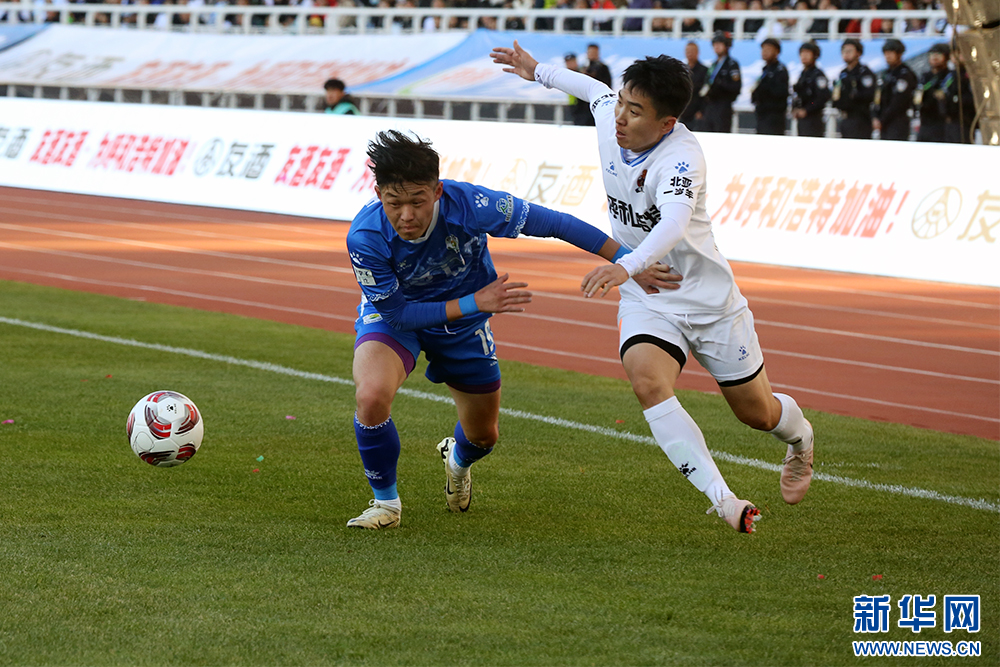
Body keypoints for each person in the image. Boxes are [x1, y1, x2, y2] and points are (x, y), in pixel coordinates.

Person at [492, 42, 816, 534]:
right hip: (650, 296)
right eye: (623, 102)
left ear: (667, 123)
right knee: (647, 381)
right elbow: (593, 90)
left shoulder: (681, 159)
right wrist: (537, 70)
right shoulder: (612, 113)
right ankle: (724, 500)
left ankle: (801, 440)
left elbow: (674, 223)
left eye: (635, 111)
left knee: (758, 413)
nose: (620, 116)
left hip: (709, 302)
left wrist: (627, 264)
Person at [344, 130, 677, 529]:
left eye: (417, 201)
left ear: (437, 191)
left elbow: (556, 223)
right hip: (399, 318)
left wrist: (630, 262)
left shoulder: (471, 205)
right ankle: (386, 504)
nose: (406, 216)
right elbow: (398, 315)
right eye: (394, 203)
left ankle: (457, 461)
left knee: (483, 437)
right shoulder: (365, 236)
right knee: (371, 394)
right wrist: (475, 302)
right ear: (378, 194)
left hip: (464, 326)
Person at [873, 39, 917, 141]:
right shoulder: (885, 73)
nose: (888, 56)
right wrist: (875, 116)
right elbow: (878, 96)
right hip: (884, 121)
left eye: (891, 53)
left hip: (898, 121)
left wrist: (883, 119)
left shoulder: (904, 74)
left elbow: (899, 101)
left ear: (899, 54)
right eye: (886, 53)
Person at [831, 38, 875, 139]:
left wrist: (853, 95)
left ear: (858, 53)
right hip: (845, 118)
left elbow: (869, 95)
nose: (846, 54)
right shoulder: (843, 73)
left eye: (850, 51)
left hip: (860, 119)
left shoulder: (864, 73)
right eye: (844, 51)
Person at [700, 32, 742, 133]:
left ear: (727, 45)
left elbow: (736, 87)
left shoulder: (731, 64)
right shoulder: (713, 65)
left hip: (723, 106)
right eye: (715, 44)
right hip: (710, 106)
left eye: (720, 43)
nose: (716, 46)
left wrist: (720, 85)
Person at [915, 43, 954, 143]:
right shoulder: (925, 76)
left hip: (942, 124)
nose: (934, 57)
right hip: (925, 122)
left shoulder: (950, 76)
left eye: (939, 54)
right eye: (932, 54)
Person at [751, 37, 789, 136]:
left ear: (777, 52)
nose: (765, 52)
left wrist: (764, 90)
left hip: (774, 117)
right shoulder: (765, 69)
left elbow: (780, 93)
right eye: (763, 49)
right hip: (762, 115)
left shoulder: (780, 70)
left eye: (768, 49)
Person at [792, 41, 831, 137]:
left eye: (807, 53)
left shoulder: (818, 75)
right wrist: (795, 108)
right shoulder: (802, 74)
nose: (804, 56)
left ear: (815, 55)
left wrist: (807, 110)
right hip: (802, 119)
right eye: (802, 53)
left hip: (814, 119)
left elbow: (821, 98)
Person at [679, 41, 708, 131]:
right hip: (684, 112)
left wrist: (702, 110)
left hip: (697, 113)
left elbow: (705, 93)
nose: (689, 54)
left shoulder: (704, 70)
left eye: (692, 51)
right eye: (688, 51)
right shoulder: (682, 71)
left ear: (697, 53)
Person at [563, 53, 596, 126]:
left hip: (584, 106)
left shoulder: (582, 73)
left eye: (571, 61)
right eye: (568, 62)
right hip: (574, 106)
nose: (570, 64)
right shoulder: (566, 74)